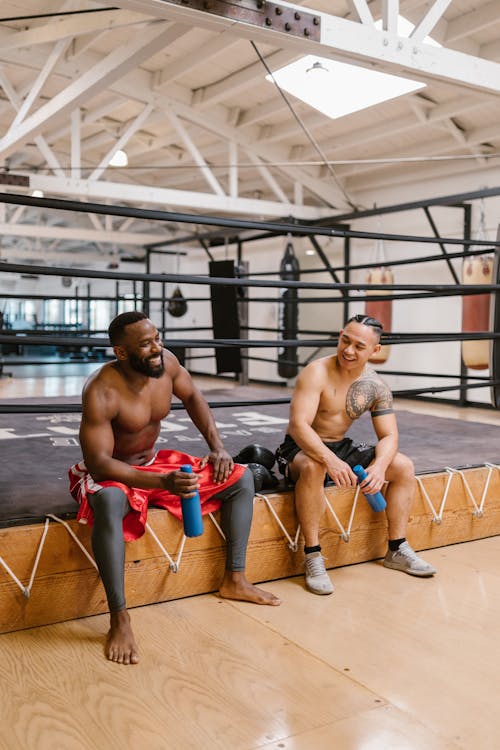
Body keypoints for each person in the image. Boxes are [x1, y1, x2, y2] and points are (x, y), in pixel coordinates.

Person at [69, 311, 280, 665]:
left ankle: (235, 578)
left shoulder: (167, 363)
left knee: (240, 476)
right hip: (114, 472)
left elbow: (194, 397)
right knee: (107, 502)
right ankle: (119, 617)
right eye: (147, 344)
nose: (158, 347)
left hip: (155, 464)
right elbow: (100, 464)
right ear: (121, 353)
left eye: (158, 338)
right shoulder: (101, 390)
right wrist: (160, 482)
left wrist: (218, 448)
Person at [275, 314, 436, 596]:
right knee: (314, 467)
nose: (348, 350)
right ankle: (312, 556)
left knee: (402, 466)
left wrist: (380, 466)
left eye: (359, 346)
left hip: (340, 445)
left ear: (375, 350)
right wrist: (330, 460)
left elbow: (389, 436)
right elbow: (299, 427)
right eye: (344, 340)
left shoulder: (376, 385)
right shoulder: (316, 372)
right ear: (339, 336)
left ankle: (396, 549)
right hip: (300, 448)